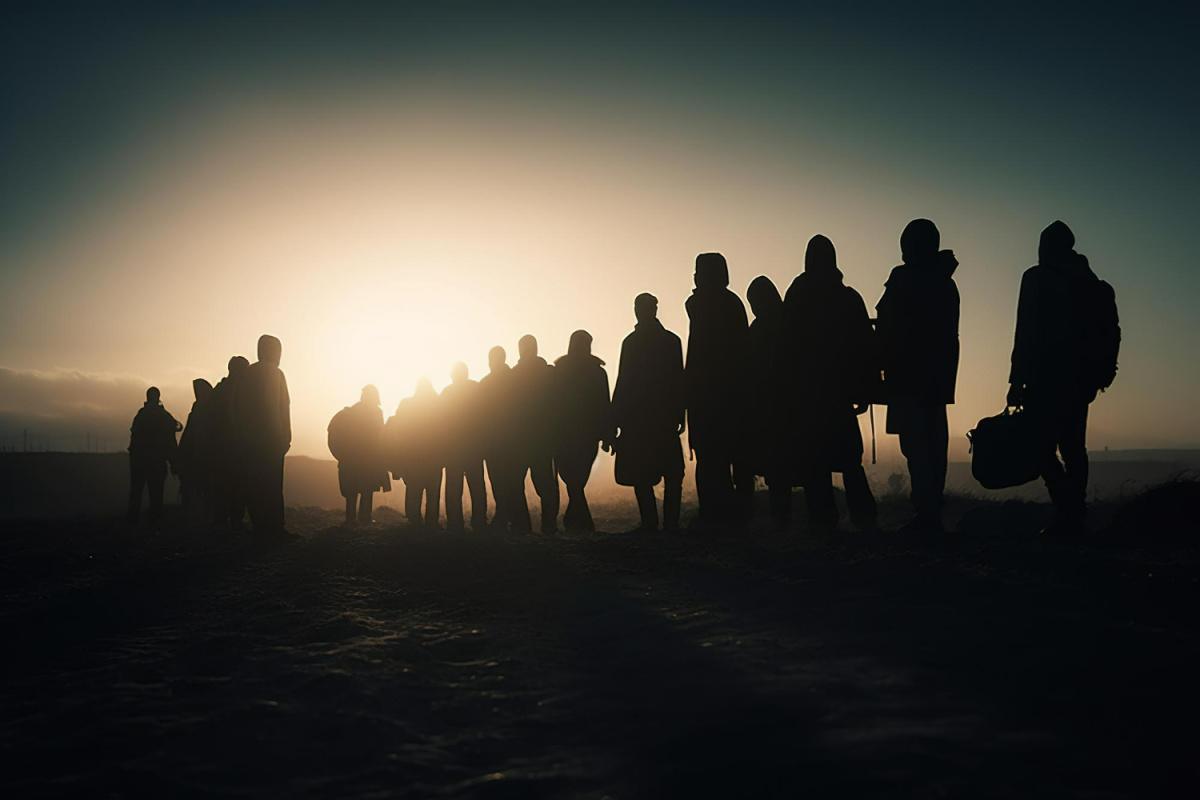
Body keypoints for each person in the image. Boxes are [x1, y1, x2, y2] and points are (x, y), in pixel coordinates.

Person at [1008, 221, 1120, 536]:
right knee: (1073, 447)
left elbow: (1025, 333)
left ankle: (1067, 511)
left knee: (1041, 448)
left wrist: (1016, 381)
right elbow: (1109, 332)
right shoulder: (1092, 284)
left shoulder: (1036, 278)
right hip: (1080, 381)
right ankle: (1073, 514)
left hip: (1044, 378)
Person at [783, 235, 878, 532]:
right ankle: (863, 517)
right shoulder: (848, 298)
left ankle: (823, 519)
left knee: (816, 462)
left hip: (808, 395)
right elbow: (865, 346)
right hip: (839, 394)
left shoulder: (797, 294)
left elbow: (786, 348)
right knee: (849, 459)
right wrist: (865, 388)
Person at [875, 219, 960, 535]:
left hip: (907, 378)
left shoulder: (904, 280)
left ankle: (926, 516)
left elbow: (886, 326)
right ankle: (931, 513)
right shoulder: (945, 284)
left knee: (916, 448)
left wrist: (878, 365)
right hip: (937, 381)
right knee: (934, 448)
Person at [685, 252, 752, 525]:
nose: (695, 278)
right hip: (728, 395)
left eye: (699, 272)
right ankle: (728, 513)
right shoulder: (730, 304)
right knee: (726, 457)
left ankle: (718, 514)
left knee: (714, 458)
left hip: (713, 397)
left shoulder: (706, 306)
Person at [612, 293, 686, 532]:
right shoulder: (670, 341)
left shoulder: (632, 343)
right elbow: (678, 381)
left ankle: (652, 523)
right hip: (661, 418)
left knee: (646, 474)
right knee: (671, 473)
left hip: (640, 420)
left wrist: (615, 421)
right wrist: (679, 414)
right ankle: (668, 524)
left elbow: (624, 382)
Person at [553, 330, 614, 532]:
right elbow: (605, 405)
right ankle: (580, 521)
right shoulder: (597, 373)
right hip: (586, 435)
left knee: (573, 479)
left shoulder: (559, 372)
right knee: (577, 478)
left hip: (565, 434)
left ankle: (576, 520)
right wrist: (607, 434)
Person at [234, 334, 292, 537]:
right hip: (272, 440)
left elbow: (240, 408)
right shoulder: (276, 374)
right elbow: (282, 407)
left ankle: (259, 524)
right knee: (273, 485)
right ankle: (275, 527)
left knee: (255, 482)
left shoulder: (249, 374)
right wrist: (285, 437)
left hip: (250, 440)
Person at [746, 276, 792, 526]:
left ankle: (781, 517)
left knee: (777, 469)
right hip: (783, 408)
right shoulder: (790, 324)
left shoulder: (760, 329)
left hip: (772, 409)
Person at [511, 335, 560, 534]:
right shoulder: (548, 374)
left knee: (515, 484)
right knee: (547, 484)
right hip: (543, 438)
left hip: (520, 439)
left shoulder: (513, 376)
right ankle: (549, 524)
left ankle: (522, 526)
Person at [328, 385, 391, 526]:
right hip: (369, 458)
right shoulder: (376, 412)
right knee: (367, 489)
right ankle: (365, 518)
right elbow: (380, 435)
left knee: (352, 490)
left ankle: (350, 519)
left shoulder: (351, 412)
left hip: (352, 458)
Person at [389, 378, 443, 529]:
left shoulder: (407, 405)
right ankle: (431, 522)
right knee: (433, 491)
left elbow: (397, 430)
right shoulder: (439, 405)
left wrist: (399, 455)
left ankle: (414, 521)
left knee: (413, 489)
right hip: (434, 457)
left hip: (412, 457)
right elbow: (446, 430)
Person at [479, 346, 522, 533]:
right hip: (513, 440)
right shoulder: (516, 380)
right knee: (513, 481)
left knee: (498, 481)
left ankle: (503, 516)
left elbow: (478, 414)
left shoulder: (486, 383)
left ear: (490, 361)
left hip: (492, 441)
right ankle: (518, 520)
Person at [441, 362, 488, 533]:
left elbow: (441, 423)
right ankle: (479, 521)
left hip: (453, 448)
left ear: (452, 375)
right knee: (477, 486)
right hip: (474, 447)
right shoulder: (476, 389)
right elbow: (485, 416)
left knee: (453, 487)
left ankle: (454, 523)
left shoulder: (446, 393)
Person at [127, 386, 181, 526]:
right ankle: (154, 524)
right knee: (156, 495)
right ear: (158, 397)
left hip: (139, 462)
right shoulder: (164, 417)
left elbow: (134, 440)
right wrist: (174, 463)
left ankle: (133, 523)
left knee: (136, 493)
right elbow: (170, 442)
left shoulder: (141, 415)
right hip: (156, 463)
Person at [209, 356, 250, 530]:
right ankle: (234, 521)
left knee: (223, 486)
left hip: (219, 448)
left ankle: (222, 520)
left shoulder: (219, 390)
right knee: (236, 485)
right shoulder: (240, 392)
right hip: (234, 447)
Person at [176, 378, 216, 518]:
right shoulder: (208, 410)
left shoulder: (200, 411)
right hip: (200, 457)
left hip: (200, 457)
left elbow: (188, 436)